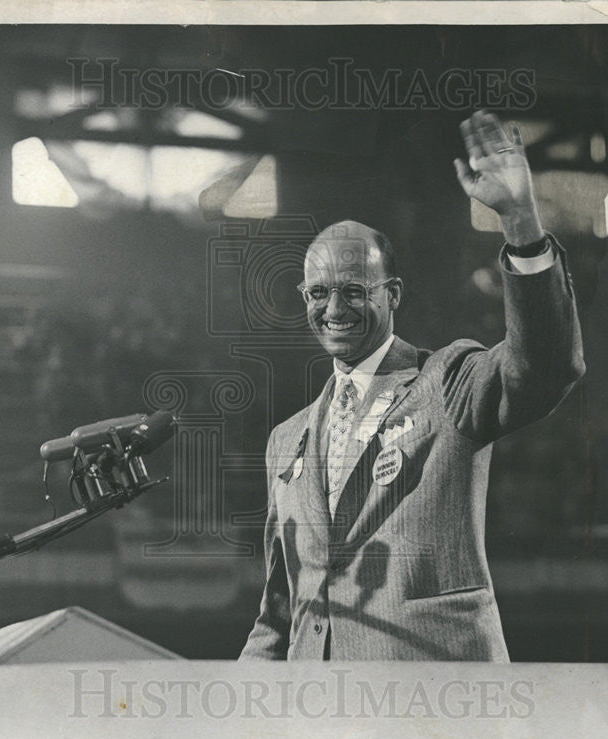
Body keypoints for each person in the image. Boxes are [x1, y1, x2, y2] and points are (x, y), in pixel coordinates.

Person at [239, 110, 585, 661]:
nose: (334, 309)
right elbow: (279, 609)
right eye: (317, 293)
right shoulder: (287, 439)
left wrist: (520, 219)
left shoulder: (448, 380)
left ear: (393, 293)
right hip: (320, 714)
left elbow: (544, 366)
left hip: (433, 700)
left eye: (354, 290)